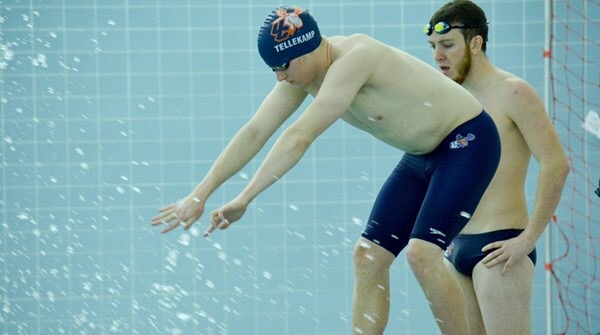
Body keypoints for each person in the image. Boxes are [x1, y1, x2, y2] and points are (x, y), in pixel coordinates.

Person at [152, 5, 501, 334]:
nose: (279, 77)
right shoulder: (301, 77)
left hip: (468, 141)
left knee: (422, 253)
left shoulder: (356, 58)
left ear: (305, 51)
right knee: (368, 256)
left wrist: (246, 197)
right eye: (274, 69)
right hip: (422, 154)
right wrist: (201, 193)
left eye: (283, 66)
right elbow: (255, 131)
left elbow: (300, 136)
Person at [425, 1, 570, 334]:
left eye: (447, 45)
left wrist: (529, 239)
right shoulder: (449, 97)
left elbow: (556, 165)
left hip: (501, 247)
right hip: (454, 247)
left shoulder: (513, 92)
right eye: (433, 47)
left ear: (476, 44)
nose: (437, 56)